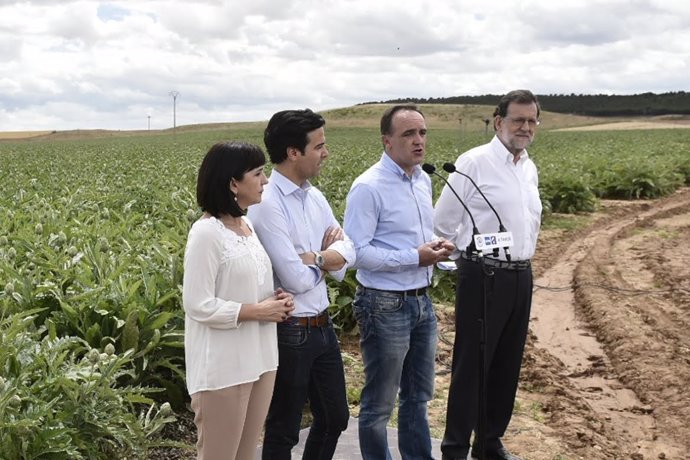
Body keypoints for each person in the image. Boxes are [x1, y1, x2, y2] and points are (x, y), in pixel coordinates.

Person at [433, 90, 543, 460]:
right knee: (472, 365)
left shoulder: (529, 167)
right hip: (484, 274)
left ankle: (490, 440)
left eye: (531, 121)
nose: (525, 127)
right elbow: (443, 222)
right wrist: (469, 254)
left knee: (507, 362)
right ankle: (455, 447)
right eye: (518, 120)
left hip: (520, 275)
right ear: (499, 122)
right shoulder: (474, 163)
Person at [343, 104, 455, 460]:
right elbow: (356, 253)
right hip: (383, 303)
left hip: (422, 300)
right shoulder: (368, 187)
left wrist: (436, 247)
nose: (419, 141)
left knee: (419, 396)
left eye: (422, 133)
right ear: (387, 141)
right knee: (379, 403)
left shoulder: (422, 179)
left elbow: (412, 237)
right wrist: (415, 256)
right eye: (408, 134)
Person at [247, 109, 356, 460]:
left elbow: (349, 250)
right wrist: (327, 257)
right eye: (319, 146)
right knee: (283, 429)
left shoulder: (315, 197)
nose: (326, 153)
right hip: (291, 331)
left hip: (323, 325)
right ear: (294, 152)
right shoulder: (268, 204)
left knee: (336, 417)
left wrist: (318, 258)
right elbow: (293, 279)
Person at [183, 141, 295, 460]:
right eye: (258, 173)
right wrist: (258, 310)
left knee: (246, 455)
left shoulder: (246, 227)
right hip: (223, 367)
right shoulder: (207, 233)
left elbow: (247, 286)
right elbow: (197, 303)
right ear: (233, 182)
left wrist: (276, 299)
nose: (266, 181)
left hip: (261, 360)